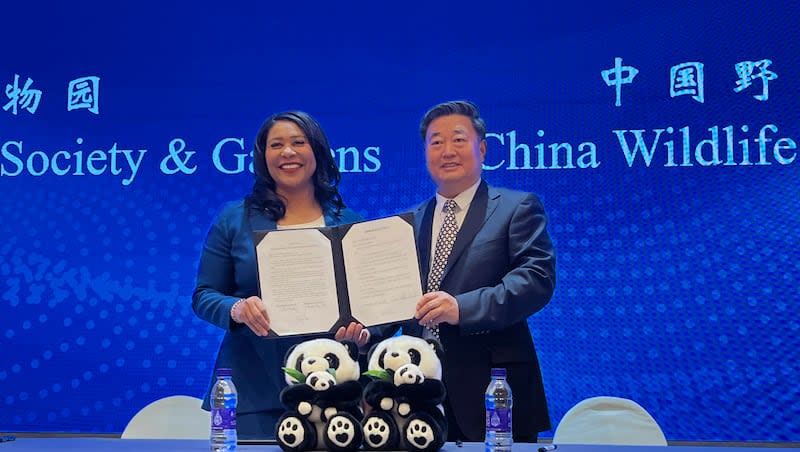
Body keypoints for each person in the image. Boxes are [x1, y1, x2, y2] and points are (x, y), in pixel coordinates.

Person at [192, 111, 370, 439]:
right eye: (277, 145)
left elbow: (368, 305)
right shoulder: (234, 219)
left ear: (317, 151)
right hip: (253, 389)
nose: (288, 152)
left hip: (332, 389)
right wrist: (237, 309)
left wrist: (363, 331)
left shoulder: (351, 223)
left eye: (298, 143)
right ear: (263, 158)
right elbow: (204, 296)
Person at [402, 100, 556, 442]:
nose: (447, 151)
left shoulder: (517, 207)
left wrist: (462, 308)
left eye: (458, 139)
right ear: (425, 152)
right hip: (420, 394)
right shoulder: (408, 223)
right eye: (436, 142)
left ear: (482, 148)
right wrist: (367, 330)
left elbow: (535, 279)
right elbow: (394, 299)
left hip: (494, 388)